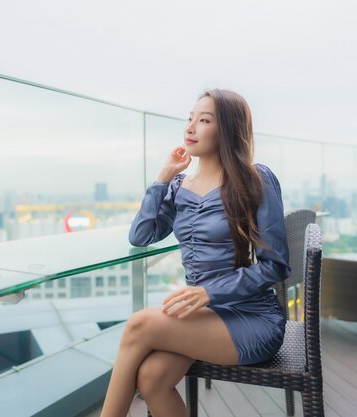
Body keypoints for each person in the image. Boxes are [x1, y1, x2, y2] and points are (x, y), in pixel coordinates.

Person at [99, 89, 291, 417]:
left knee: (138, 325)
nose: (190, 128)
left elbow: (276, 265)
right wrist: (163, 177)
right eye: (190, 119)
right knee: (152, 378)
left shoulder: (255, 179)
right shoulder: (179, 188)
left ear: (228, 129)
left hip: (251, 318)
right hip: (202, 316)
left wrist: (208, 292)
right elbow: (141, 235)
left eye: (203, 120)